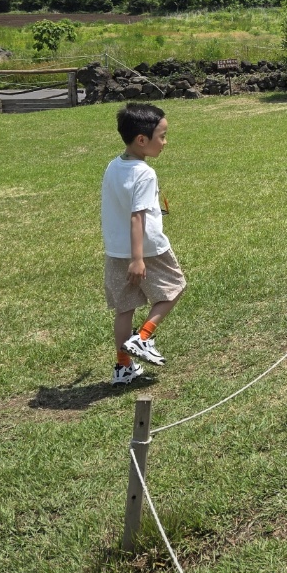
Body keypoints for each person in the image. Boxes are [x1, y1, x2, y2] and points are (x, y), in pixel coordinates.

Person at [101, 102, 186, 385]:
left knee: (124, 307)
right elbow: (137, 217)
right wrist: (138, 259)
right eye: (161, 136)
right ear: (142, 140)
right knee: (174, 287)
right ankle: (144, 337)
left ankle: (123, 367)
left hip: (115, 250)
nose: (165, 142)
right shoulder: (145, 173)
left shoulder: (113, 165)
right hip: (147, 248)